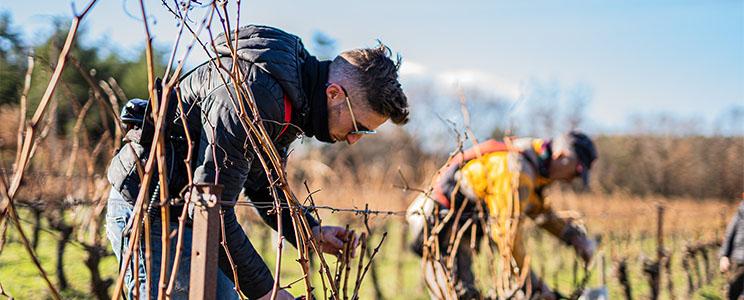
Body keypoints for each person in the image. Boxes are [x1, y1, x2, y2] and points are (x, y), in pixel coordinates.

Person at [106, 25, 409, 299]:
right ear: (334, 94)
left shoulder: (293, 96)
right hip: (149, 211)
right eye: (359, 128)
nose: (354, 139)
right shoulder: (256, 93)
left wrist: (309, 232)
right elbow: (215, 209)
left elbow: (262, 182)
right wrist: (267, 292)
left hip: (190, 216)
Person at [407, 131, 598, 299]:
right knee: (459, 294)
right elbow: (507, 236)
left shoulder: (534, 162)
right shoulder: (518, 172)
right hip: (443, 227)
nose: (572, 179)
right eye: (577, 171)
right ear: (561, 155)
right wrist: (532, 285)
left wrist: (574, 238)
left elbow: (538, 210)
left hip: (460, 226)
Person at [720, 200, 744, 300]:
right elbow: (729, 235)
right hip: (739, 260)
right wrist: (724, 256)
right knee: (733, 292)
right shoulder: (740, 213)